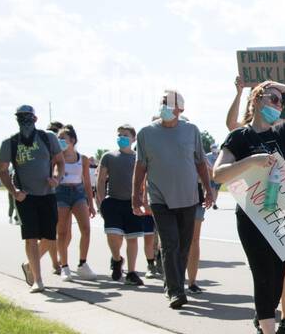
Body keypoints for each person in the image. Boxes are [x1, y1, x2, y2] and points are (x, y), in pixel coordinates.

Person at [215, 81, 285, 334]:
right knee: (262, 274)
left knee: (279, 276)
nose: (278, 104)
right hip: (253, 216)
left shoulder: (282, 131)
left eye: (281, 101)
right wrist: (252, 161)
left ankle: (263, 317)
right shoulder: (239, 138)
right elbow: (219, 172)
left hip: (283, 214)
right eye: (272, 98)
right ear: (256, 100)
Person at [132, 91, 216, 309]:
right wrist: (136, 197)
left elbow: (200, 163)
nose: (165, 106)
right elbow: (140, 167)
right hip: (160, 199)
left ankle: (172, 284)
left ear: (181, 108)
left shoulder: (191, 131)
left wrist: (208, 189)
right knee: (170, 244)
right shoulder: (145, 134)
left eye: (170, 103)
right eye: (162, 102)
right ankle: (176, 291)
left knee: (183, 246)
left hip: (189, 198)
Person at [0, 106, 64, 293]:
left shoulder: (47, 137)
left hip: (47, 194)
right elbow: (2, 170)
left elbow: (60, 161)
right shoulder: (9, 143)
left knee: (51, 237)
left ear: (35, 118)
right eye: (20, 117)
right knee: (31, 238)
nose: (24, 120)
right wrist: (14, 191)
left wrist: (57, 179)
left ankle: (29, 265)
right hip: (25, 196)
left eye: (28, 117)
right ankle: (38, 279)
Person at [96, 124, 147, 286]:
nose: (121, 138)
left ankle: (131, 272)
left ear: (133, 138)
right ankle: (117, 259)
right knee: (114, 235)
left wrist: (143, 201)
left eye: (125, 135)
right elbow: (101, 180)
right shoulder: (108, 156)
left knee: (132, 238)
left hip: (132, 203)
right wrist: (101, 201)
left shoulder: (139, 157)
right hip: (112, 202)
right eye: (119, 135)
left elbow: (145, 181)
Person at [52, 125, 99, 281]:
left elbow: (86, 183)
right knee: (63, 232)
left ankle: (82, 264)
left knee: (86, 229)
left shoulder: (83, 159)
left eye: (63, 138)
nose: (60, 141)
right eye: (58, 138)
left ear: (72, 140)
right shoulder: (56, 158)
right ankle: (64, 267)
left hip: (78, 194)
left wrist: (91, 204)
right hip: (61, 193)